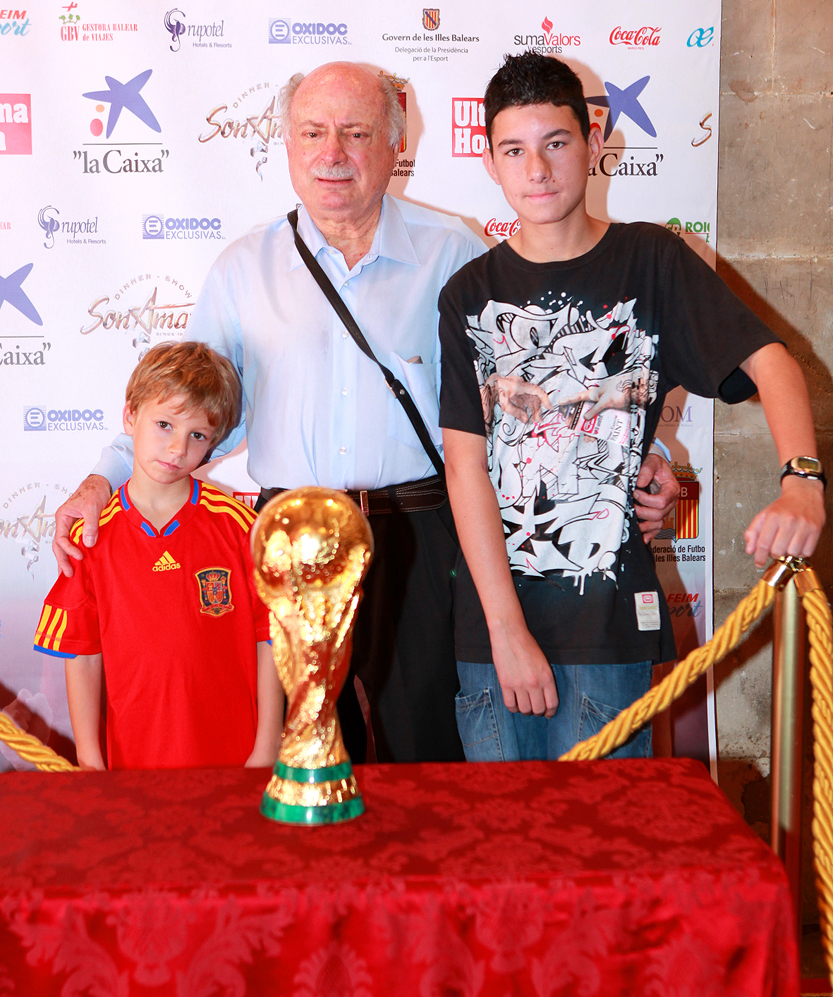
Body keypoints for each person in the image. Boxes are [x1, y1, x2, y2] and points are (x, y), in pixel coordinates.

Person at [51, 61, 679, 764]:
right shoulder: (242, 269)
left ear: (393, 143)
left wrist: (636, 456)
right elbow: (183, 405)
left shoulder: (456, 256)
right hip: (289, 540)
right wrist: (102, 478)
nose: (333, 153)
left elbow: (540, 399)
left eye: (355, 133)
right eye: (313, 132)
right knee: (302, 755)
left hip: (426, 536)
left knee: (429, 751)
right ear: (286, 145)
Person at [438, 52, 826, 762]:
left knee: (598, 859)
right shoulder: (468, 294)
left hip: (608, 629)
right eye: (514, 151)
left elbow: (772, 365)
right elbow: (465, 470)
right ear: (489, 162)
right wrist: (503, 631)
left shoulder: (653, 261)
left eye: (555, 144)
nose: (538, 170)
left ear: (591, 142)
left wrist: (801, 482)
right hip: (490, 636)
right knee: (501, 860)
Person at [35, 342, 283, 770]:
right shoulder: (91, 537)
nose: (177, 449)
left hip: (235, 758)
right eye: (165, 424)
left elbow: (273, 638)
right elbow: (82, 654)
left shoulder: (242, 528)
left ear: (214, 443)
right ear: (130, 416)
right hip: (133, 765)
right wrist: (90, 759)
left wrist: (265, 749)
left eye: (197, 436)